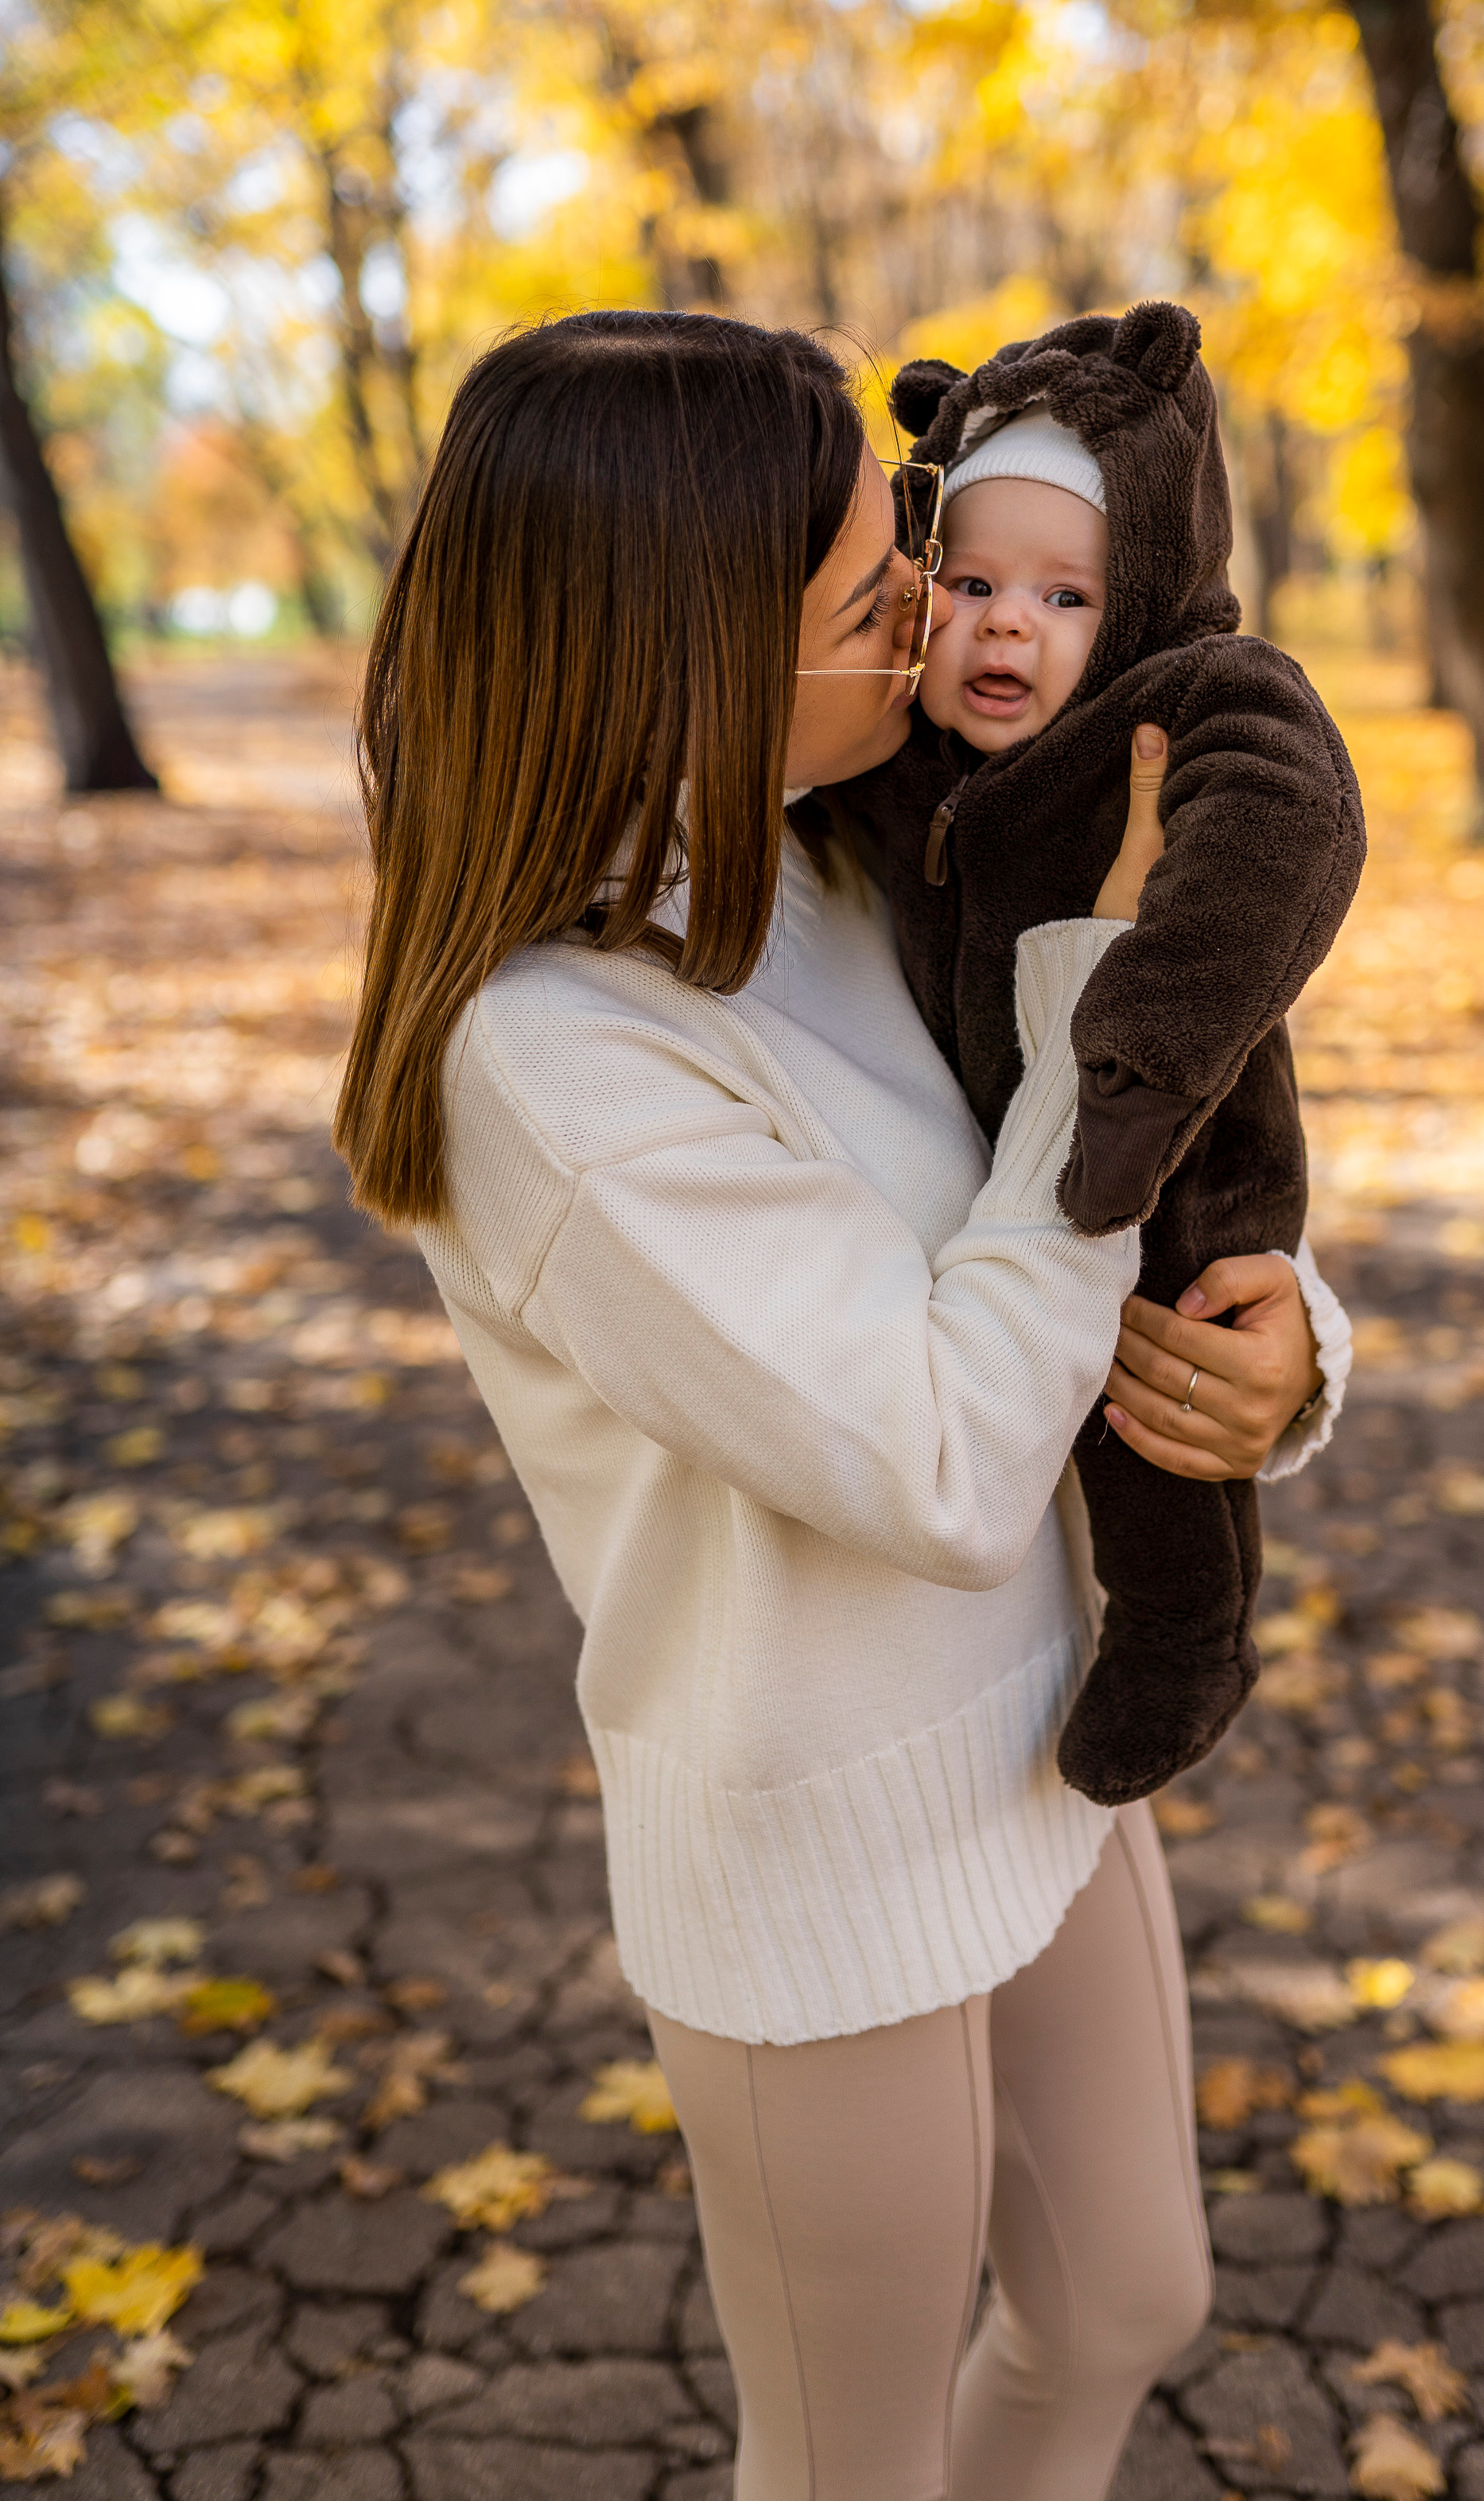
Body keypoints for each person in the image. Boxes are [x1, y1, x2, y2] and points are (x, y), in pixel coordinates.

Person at [332, 307, 1346, 2501]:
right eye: (875, 589)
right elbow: (953, 1453)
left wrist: (1286, 1353)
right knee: (849, 2465)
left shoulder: (833, 856)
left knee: (1124, 2308)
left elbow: (1058, 1184)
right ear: (693, 648)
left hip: (1037, 1744)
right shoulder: (554, 1062)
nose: (934, 614)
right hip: (814, 1838)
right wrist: (1114, 987)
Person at [852, 301, 1366, 1809]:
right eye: (971, 583)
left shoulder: (1198, 700)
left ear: (1138, 596)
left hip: (1180, 1159)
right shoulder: (898, 760)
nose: (1009, 624)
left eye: (1068, 596)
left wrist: (1139, 1058)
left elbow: (1289, 828)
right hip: (1011, 1208)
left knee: (1159, 1418)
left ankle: (1187, 1636)